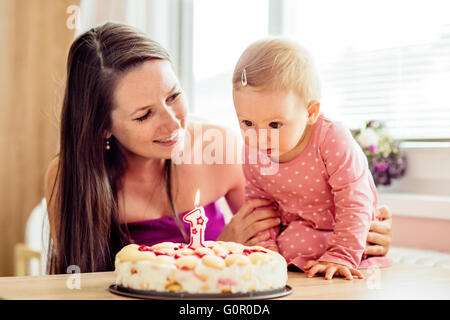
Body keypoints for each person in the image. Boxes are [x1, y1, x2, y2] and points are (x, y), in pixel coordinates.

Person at [44, 22, 392, 274]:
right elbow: (82, 284)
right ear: (102, 124)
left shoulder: (222, 147)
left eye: (174, 96)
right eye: (145, 114)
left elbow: (286, 238)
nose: (173, 123)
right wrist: (217, 245)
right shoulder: (69, 176)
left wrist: (356, 239)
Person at [232, 37, 392, 280]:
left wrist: (342, 254)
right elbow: (261, 206)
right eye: (247, 123)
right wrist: (266, 254)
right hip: (300, 230)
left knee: (321, 242)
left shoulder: (331, 138)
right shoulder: (252, 151)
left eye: (275, 124)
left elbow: (355, 199)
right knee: (288, 246)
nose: (259, 138)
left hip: (347, 228)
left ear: (310, 113)